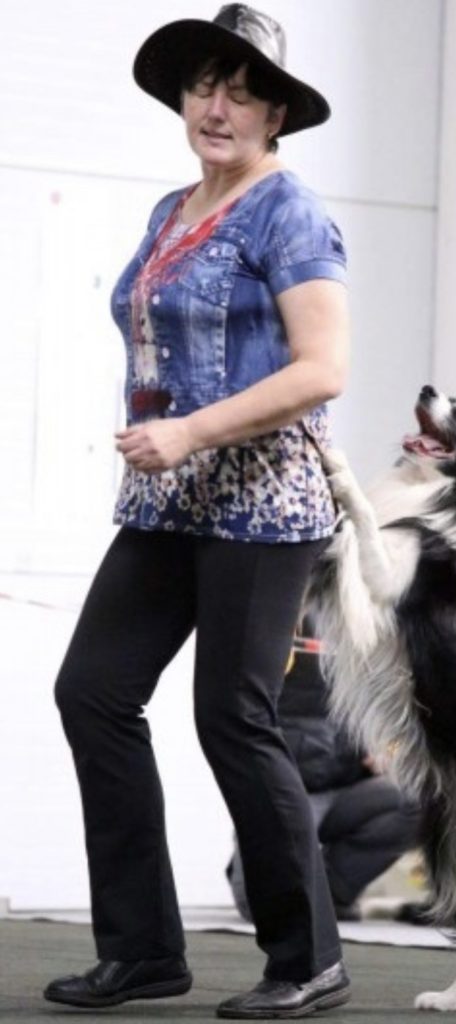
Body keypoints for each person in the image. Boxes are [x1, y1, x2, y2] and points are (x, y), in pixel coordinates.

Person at [44, 5, 351, 1019]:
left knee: (231, 717)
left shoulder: (289, 213)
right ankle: (142, 951)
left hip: (261, 502)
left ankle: (308, 958)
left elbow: (323, 368)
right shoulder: (171, 208)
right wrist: (164, 440)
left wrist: (190, 430)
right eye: (203, 87)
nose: (217, 108)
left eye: (242, 93)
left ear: (275, 116)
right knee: (93, 692)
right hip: (168, 501)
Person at [227, 627, 422, 923]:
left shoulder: (372, 631)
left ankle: (332, 891)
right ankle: (260, 862)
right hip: (286, 787)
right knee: (261, 908)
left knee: (420, 801)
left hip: (345, 789)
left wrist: (390, 748)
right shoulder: (284, 621)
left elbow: (400, 713)